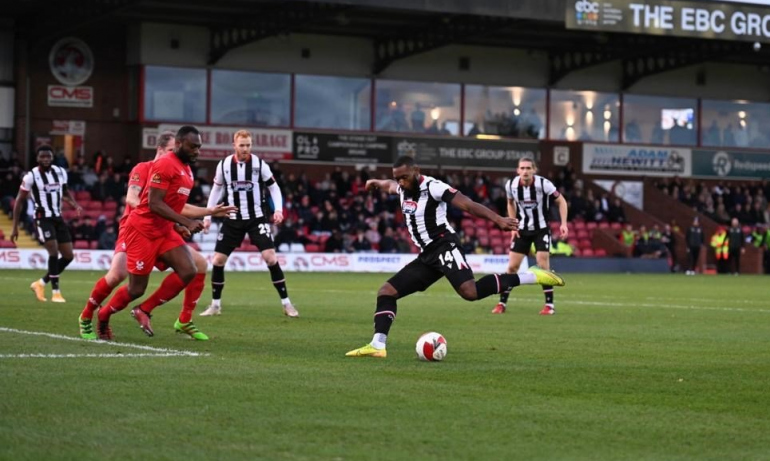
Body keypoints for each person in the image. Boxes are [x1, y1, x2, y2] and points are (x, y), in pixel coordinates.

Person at [345, 155, 565, 358]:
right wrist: (375, 182)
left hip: (445, 246)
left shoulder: (433, 187)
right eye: (398, 178)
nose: (401, 182)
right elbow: (390, 185)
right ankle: (378, 345)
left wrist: (498, 219)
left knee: (470, 292)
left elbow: (467, 204)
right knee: (386, 292)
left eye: (405, 177)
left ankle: (532, 275)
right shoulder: (402, 187)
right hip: (428, 256)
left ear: (416, 171)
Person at [77, 131, 235, 340]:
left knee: (194, 266)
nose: (196, 151)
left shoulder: (185, 171)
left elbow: (176, 205)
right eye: (171, 150)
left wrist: (208, 211)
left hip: (162, 228)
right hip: (136, 228)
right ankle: (90, 315)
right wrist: (181, 221)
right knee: (121, 278)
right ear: (163, 149)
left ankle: (176, 318)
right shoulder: (146, 168)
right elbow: (136, 199)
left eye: (199, 147)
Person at [199, 129, 299, 318]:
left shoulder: (259, 164)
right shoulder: (224, 165)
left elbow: (274, 188)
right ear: (234, 145)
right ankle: (215, 305)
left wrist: (278, 210)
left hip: (256, 218)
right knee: (218, 261)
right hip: (232, 219)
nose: (245, 149)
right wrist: (207, 216)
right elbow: (216, 190)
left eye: (248, 145)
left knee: (270, 258)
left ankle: (287, 304)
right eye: (242, 145)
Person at [493, 157, 568, 315]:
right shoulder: (511, 185)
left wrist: (563, 223)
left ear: (534, 170)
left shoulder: (544, 184)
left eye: (528, 168)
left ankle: (549, 306)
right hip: (522, 230)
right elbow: (510, 203)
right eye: (523, 168)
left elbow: (561, 201)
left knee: (542, 264)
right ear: (518, 170)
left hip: (541, 229)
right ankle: (502, 303)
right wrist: (513, 226)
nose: (525, 171)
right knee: (512, 267)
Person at [11, 146, 83, 302]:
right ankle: (56, 292)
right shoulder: (31, 176)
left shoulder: (61, 172)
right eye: (42, 156)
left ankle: (40, 283)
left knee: (69, 256)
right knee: (53, 252)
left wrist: (74, 204)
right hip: (42, 218)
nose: (45, 159)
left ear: (52, 157)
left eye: (48, 156)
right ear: (37, 159)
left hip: (58, 217)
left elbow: (64, 192)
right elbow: (19, 201)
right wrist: (15, 226)